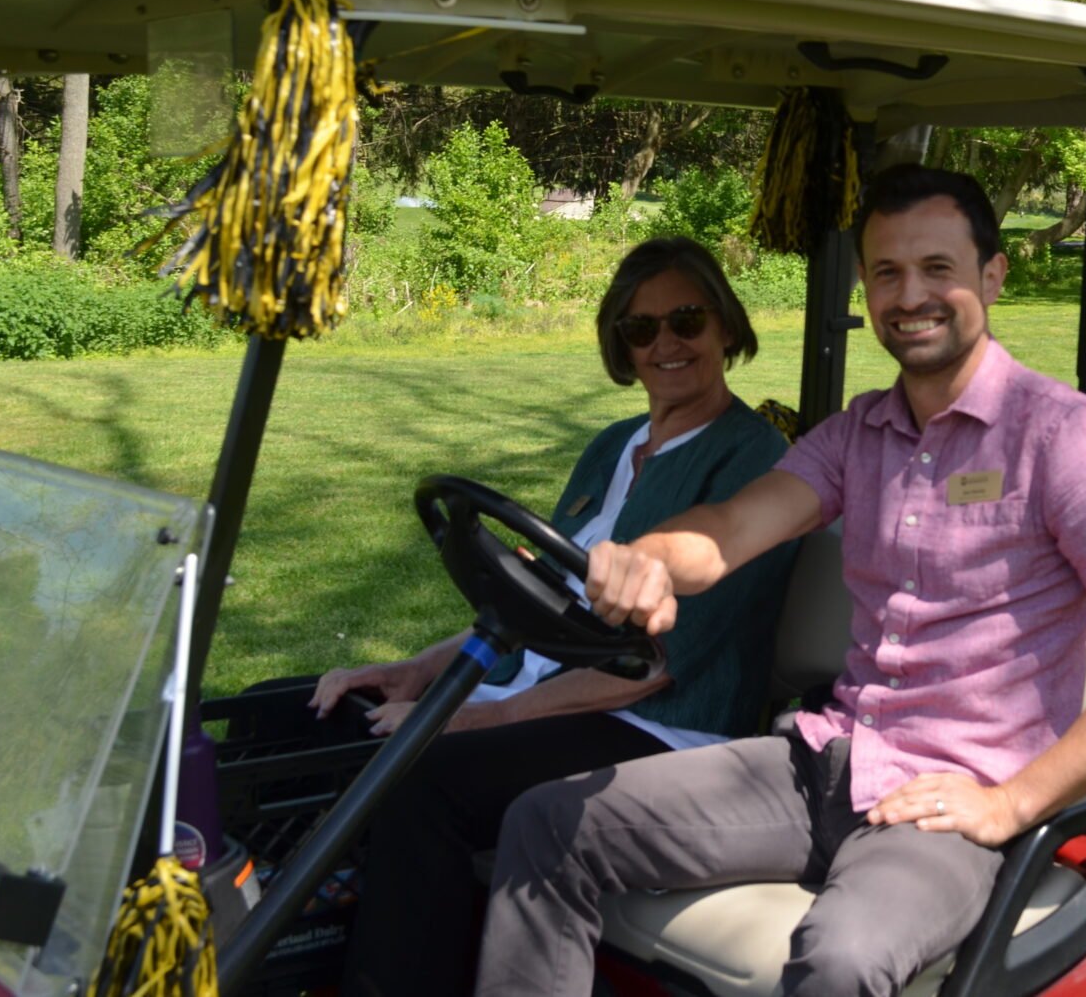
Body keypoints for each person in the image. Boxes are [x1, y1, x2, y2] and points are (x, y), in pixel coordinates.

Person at [476, 166, 1086, 997]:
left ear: (992, 275)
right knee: (549, 822)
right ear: (865, 286)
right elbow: (734, 529)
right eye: (888, 272)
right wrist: (650, 556)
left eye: (938, 268)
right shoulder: (861, 431)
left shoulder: (1063, 439)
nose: (910, 294)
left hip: (948, 805)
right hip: (823, 763)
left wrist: (1009, 807)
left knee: (843, 957)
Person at [313, 236, 800, 997]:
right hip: (538, 693)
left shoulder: (751, 458)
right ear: (621, 345)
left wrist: (476, 720)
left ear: (727, 328)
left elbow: (652, 666)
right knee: (298, 716)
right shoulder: (615, 445)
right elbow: (531, 596)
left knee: (424, 779)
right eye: (642, 329)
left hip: (658, 724)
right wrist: (412, 672)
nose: (666, 343)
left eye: (687, 320)